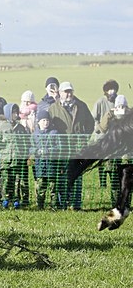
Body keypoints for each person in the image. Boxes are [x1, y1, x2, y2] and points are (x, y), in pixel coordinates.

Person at [47, 81, 93, 209]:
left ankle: (76, 204)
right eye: (65, 91)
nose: (68, 94)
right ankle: (63, 203)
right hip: (61, 149)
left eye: (70, 91)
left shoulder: (81, 106)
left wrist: (85, 137)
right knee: (62, 176)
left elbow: (90, 123)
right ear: (60, 93)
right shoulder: (53, 109)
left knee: (77, 176)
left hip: (78, 148)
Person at [0, 103, 29, 209]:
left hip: (18, 159)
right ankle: (4, 200)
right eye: (13, 112)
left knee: (17, 181)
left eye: (17, 112)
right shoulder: (1, 126)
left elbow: (26, 143)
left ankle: (16, 200)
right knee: (5, 180)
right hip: (5, 159)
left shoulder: (21, 128)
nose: (16, 115)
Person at [98, 94, 132, 203]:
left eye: (123, 106)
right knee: (114, 181)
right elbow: (102, 129)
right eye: (118, 106)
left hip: (127, 155)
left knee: (127, 180)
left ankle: (126, 203)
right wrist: (109, 115)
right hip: (113, 155)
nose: (120, 109)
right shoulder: (110, 117)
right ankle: (115, 203)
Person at [30, 110, 62, 210]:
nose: (45, 122)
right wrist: (37, 151)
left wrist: (48, 151)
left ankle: (54, 206)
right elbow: (30, 147)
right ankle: (40, 206)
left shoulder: (54, 133)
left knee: (54, 187)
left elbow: (59, 147)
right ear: (38, 122)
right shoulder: (35, 134)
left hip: (52, 165)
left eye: (47, 120)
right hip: (40, 166)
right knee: (40, 187)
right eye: (43, 120)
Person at [91, 79, 119, 189]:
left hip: (115, 136)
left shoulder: (118, 102)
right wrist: (98, 128)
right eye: (109, 89)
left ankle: (114, 183)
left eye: (113, 89)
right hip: (102, 135)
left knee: (113, 161)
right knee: (101, 161)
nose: (112, 91)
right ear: (105, 91)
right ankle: (102, 183)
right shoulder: (100, 102)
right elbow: (93, 117)